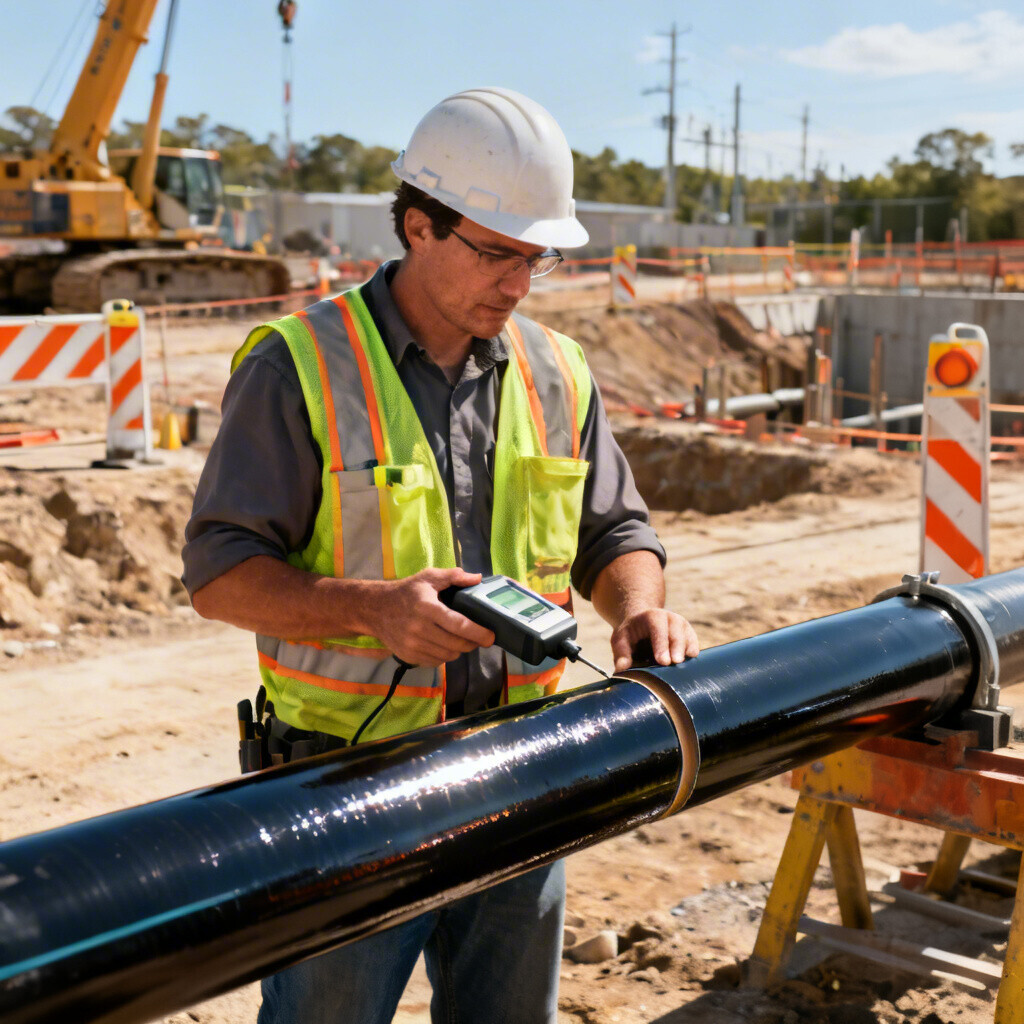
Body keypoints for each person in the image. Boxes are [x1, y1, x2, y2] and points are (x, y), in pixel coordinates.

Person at [182, 86, 699, 1024]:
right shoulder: (297, 366)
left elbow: (615, 533)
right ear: (418, 226)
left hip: (524, 772)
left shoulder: (557, 370)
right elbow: (218, 576)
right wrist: (373, 610)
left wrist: (636, 607)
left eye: (534, 261)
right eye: (496, 254)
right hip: (347, 792)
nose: (516, 283)